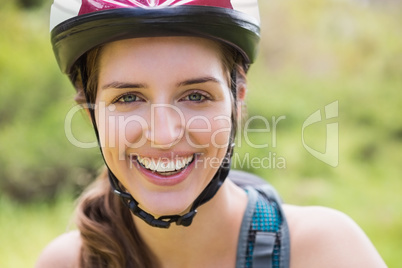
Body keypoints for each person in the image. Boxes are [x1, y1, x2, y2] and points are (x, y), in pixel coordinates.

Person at [36, 0, 386, 267]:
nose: (164, 134)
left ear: (238, 99)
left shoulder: (326, 252)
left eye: (195, 96)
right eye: (128, 98)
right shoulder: (66, 263)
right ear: (90, 112)